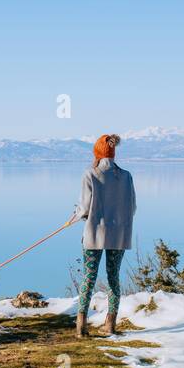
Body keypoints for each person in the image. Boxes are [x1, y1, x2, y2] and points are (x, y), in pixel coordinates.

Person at [72, 133, 136, 336]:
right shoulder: (126, 176)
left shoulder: (90, 174)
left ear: (97, 154)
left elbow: (83, 209)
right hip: (119, 235)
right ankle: (111, 324)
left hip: (94, 235)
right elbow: (132, 207)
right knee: (113, 278)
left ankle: (81, 326)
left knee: (89, 278)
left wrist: (77, 215)